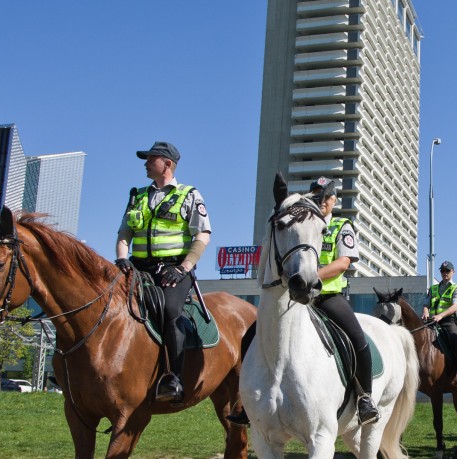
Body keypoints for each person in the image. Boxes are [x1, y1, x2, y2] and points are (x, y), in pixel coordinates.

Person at [227, 178, 380, 426]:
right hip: (296, 297)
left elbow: (344, 262)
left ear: (334, 200)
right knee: (251, 337)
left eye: (325, 198)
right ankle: (247, 401)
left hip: (327, 297)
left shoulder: (342, 225)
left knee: (357, 339)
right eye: (316, 196)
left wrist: (311, 277)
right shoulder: (302, 222)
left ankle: (365, 398)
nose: (321, 202)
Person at [115, 141, 211, 404]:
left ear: (167, 164)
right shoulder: (137, 195)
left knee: (170, 310)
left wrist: (184, 268)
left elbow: (202, 235)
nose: (145, 163)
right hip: (136, 267)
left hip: (174, 270)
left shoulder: (189, 194)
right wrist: (122, 259)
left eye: (151, 159)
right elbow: (125, 232)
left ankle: (174, 378)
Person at [421, 260, 457, 383]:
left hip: (448, 321)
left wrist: (441, 315)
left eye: (447, 271)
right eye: (442, 271)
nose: (445, 273)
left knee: (454, 338)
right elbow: (426, 304)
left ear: (453, 272)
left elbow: (455, 306)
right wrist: (425, 312)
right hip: (432, 320)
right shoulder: (433, 288)